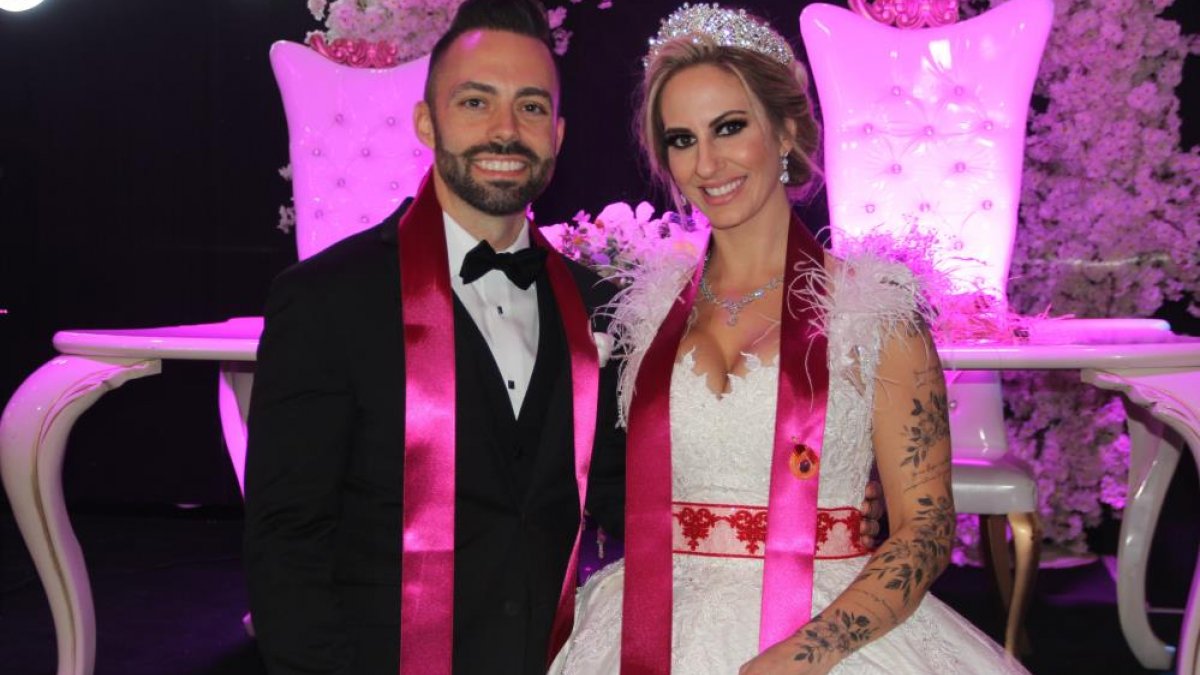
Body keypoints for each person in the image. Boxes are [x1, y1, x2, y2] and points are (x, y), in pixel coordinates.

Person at [550, 5, 1029, 674]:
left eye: (730, 127)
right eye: (682, 139)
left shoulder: (873, 311)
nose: (707, 162)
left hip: (827, 632)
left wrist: (805, 655)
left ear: (786, 131)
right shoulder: (646, 315)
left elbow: (926, 529)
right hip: (651, 624)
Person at [242, 2, 626, 673]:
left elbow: (626, 498)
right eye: (476, 102)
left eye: (531, 107)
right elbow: (287, 544)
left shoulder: (599, 306)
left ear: (558, 134)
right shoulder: (326, 300)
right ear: (426, 122)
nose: (506, 130)